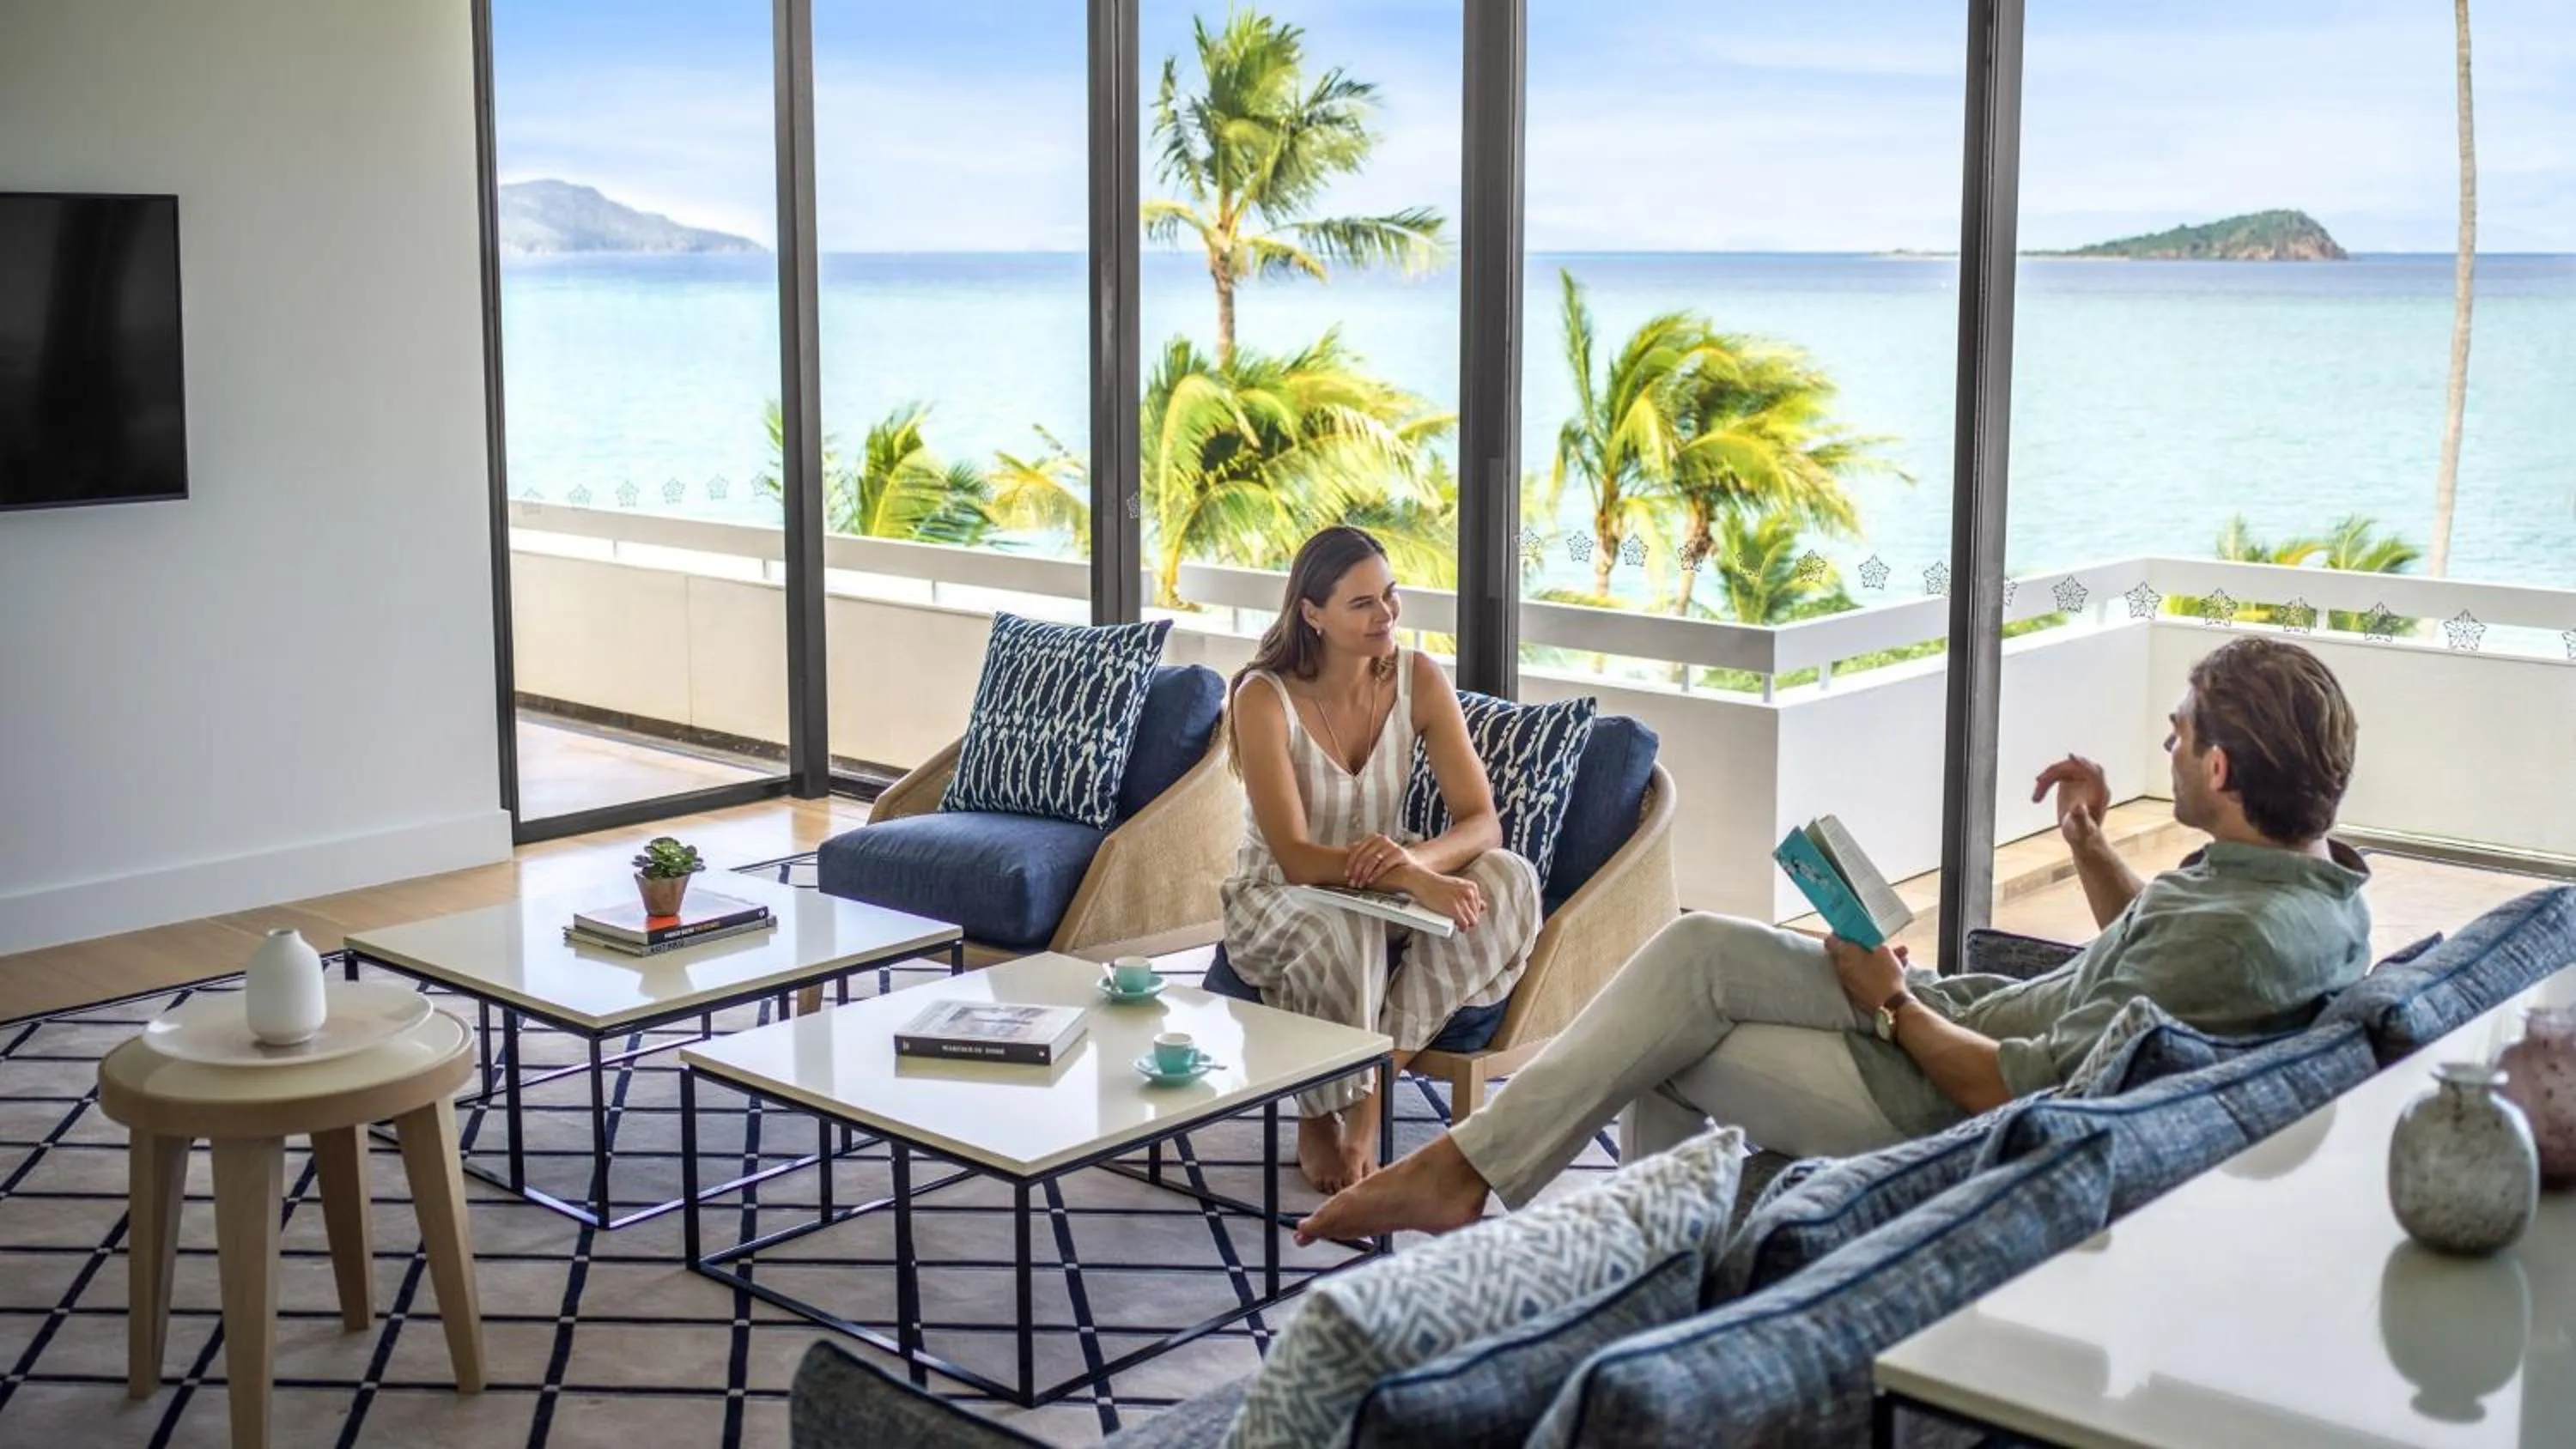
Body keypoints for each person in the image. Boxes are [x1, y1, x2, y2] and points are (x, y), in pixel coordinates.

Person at [1297, 635, 2370, 1242]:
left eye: (2182, 732)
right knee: (1697, 954)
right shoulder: (2301, 893)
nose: (2170, 743)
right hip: (1964, 1016)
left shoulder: (2236, 939)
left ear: (2221, 772)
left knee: (1666, 1031)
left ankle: (1567, 1221)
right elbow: (2150, 949)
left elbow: (2011, 1093)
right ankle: (1612, 1238)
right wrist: (2087, 841)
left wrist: (1890, 1002)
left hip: (1942, 1092)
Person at [1223, 526, 1543, 1194]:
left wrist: (1415, 865)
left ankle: (1370, 1095)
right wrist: (1410, 876)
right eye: (1362, 603)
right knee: (1346, 928)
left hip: (1382, 889)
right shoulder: (1262, 697)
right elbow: (1296, 857)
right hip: (1281, 894)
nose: (1386, 615)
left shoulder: (1419, 678)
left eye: (1390, 596)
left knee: (1511, 878)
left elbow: (1482, 822)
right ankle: (1317, 1112)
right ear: (1312, 614)